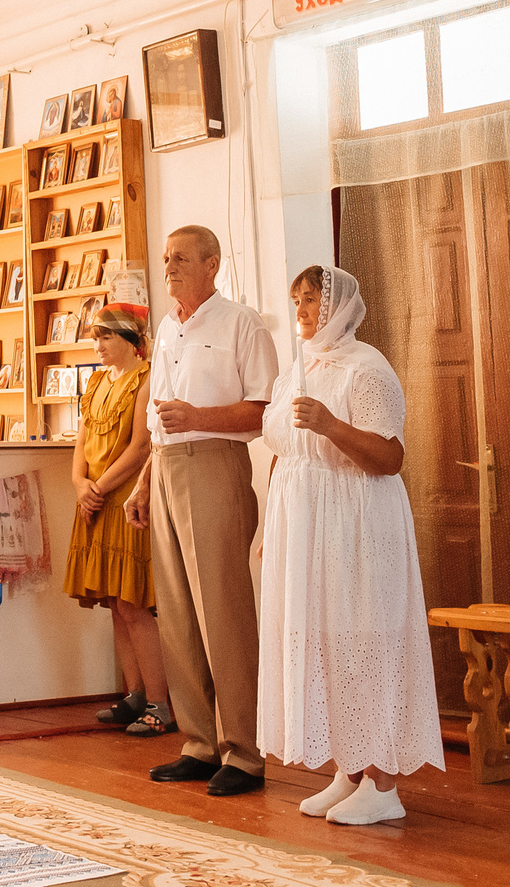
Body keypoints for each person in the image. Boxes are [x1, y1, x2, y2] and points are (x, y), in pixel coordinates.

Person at [259, 264, 443, 824]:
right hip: (305, 524)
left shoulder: (367, 369)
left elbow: (390, 458)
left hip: (356, 523)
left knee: (364, 638)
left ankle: (384, 785)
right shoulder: (295, 371)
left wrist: (332, 425)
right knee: (324, 638)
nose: (303, 311)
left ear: (339, 304)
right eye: (297, 300)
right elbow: (283, 454)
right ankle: (350, 767)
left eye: (312, 299)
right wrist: (272, 527)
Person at [126, 225, 279, 798]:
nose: (169, 267)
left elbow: (263, 410)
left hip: (215, 462)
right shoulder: (166, 328)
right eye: (166, 258)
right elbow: (159, 421)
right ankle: (198, 741)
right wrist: (143, 483)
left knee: (223, 610)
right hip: (165, 469)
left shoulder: (242, 323)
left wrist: (201, 419)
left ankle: (244, 750)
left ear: (213, 264)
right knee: (179, 610)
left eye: (181, 258)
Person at [67, 305, 170, 738]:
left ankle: (161, 702)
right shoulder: (96, 381)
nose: (99, 346)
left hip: (123, 498)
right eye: (97, 337)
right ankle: (135, 692)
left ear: (130, 340)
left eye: (106, 338)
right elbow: (83, 439)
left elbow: (141, 447)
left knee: (132, 603)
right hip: (94, 499)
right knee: (113, 601)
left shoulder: (144, 381)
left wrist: (101, 487)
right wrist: (78, 483)